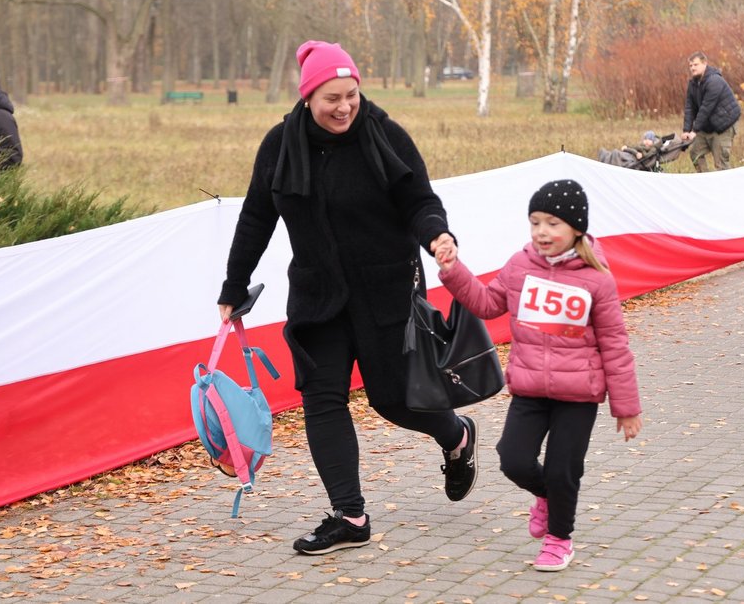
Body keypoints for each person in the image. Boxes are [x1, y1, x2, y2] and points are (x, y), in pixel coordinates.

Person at [217, 40, 477, 556]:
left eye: (351, 95)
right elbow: (256, 218)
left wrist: (437, 235)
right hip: (318, 297)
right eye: (331, 98)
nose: (344, 107)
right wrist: (233, 285)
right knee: (322, 398)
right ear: (308, 96)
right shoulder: (280, 145)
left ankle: (457, 436)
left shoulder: (384, 135)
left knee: (394, 399)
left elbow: (419, 200)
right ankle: (350, 516)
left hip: (386, 292)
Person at [435, 179, 642, 572]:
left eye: (552, 223)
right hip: (530, 390)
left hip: (578, 395)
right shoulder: (520, 265)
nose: (542, 232)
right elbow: (486, 303)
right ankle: (547, 497)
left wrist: (626, 407)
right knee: (513, 460)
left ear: (576, 228)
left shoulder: (597, 279)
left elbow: (615, 346)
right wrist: (452, 270)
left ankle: (559, 540)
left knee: (564, 469)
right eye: (535, 223)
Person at [681, 51, 741, 172]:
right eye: (691, 65)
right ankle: (705, 180)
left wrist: (694, 130)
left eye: (696, 64)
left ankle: (728, 184)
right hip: (707, 125)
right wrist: (686, 130)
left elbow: (706, 108)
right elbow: (689, 108)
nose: (692, 68)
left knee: (721, 164)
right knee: (695, 154)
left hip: (723, 126)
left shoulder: (715, 81)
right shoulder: (693, 83)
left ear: (705, 63)